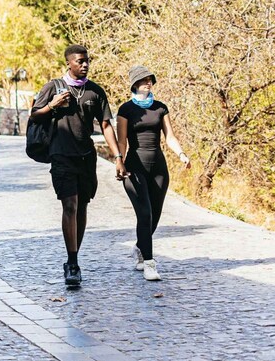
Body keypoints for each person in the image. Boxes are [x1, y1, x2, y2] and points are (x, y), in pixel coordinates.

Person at [30, 44, 127, 286]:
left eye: (87, 61)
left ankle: (74, 256)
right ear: (69, 64)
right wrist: (53, 105)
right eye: (80, 61)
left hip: (86, 157)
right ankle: (72, 263)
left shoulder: (95, 91)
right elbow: (34, 115)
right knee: (70, 206)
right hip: (61, 155)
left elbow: (106, 125)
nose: (84, 65)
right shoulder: (53, 87)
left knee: (82, 206)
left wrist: (117, 157)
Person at [118, 66, 191, 281]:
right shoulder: (126, 110)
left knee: (155, 215)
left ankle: (141, 246)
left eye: (150, 80)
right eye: (143, 80)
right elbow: (122, 140)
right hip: (134, 166)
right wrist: (119, 162)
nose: (147, 83)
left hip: (158, 166)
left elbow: (170, 136)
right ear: (134, 84)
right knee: (145, 213)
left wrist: (181, 154)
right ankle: (149, 263)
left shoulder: (160, 108)